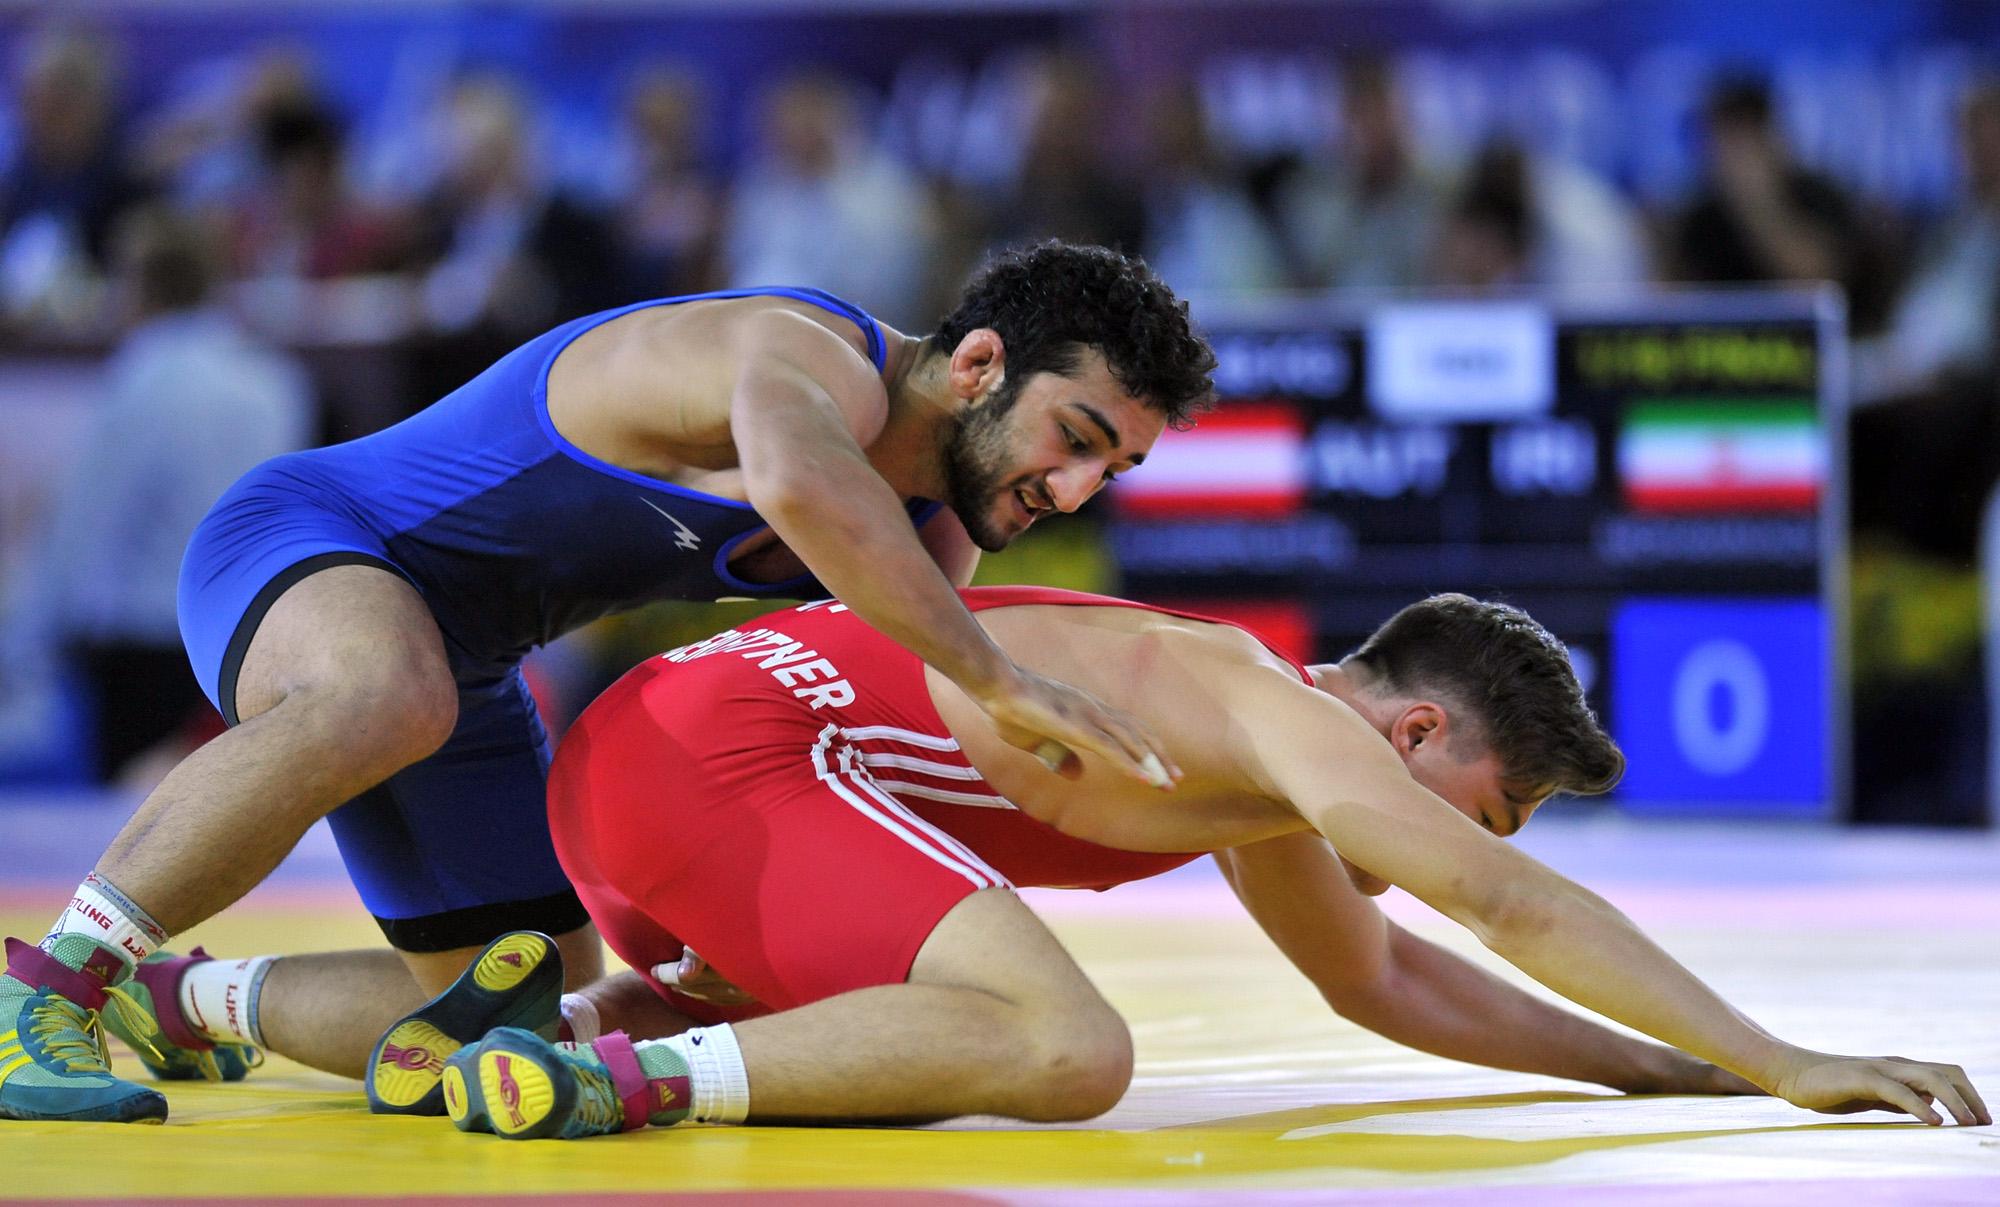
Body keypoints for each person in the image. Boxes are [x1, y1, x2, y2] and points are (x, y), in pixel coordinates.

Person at [0, 241, 1212, 1124]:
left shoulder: (926, 542)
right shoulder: (798, 356)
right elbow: (802, 489)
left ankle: (181, 1002)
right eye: (1074, 437)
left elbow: (872, 739)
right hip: (316, 539)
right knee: (387, 691)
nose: (1074, 492)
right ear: (980, 363)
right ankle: (42, 988)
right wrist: (995, 674)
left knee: (529, 1005)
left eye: (1113, 469)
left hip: (462, 666)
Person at [424, 588, 1981, 1137]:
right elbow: (1503, 904)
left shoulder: (1274, 778)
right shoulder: (1261, 702)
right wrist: (1784, 1056)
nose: (1427, 858)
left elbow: (1374, 972)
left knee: (626, 1011)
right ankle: (620, 1087)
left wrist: (1664, 1070)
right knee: (1064, 1043)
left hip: (667, 776)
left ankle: (216, 993)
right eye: (1467, 805)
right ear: (1418, 726)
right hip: (730, 769)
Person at [22, 207, 312, 786]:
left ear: (139, 287)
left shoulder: (140, 384)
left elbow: (81, 528)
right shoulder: (274, 381)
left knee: (135, 844)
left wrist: (24, 644)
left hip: (143, 655)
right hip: (243, 642)